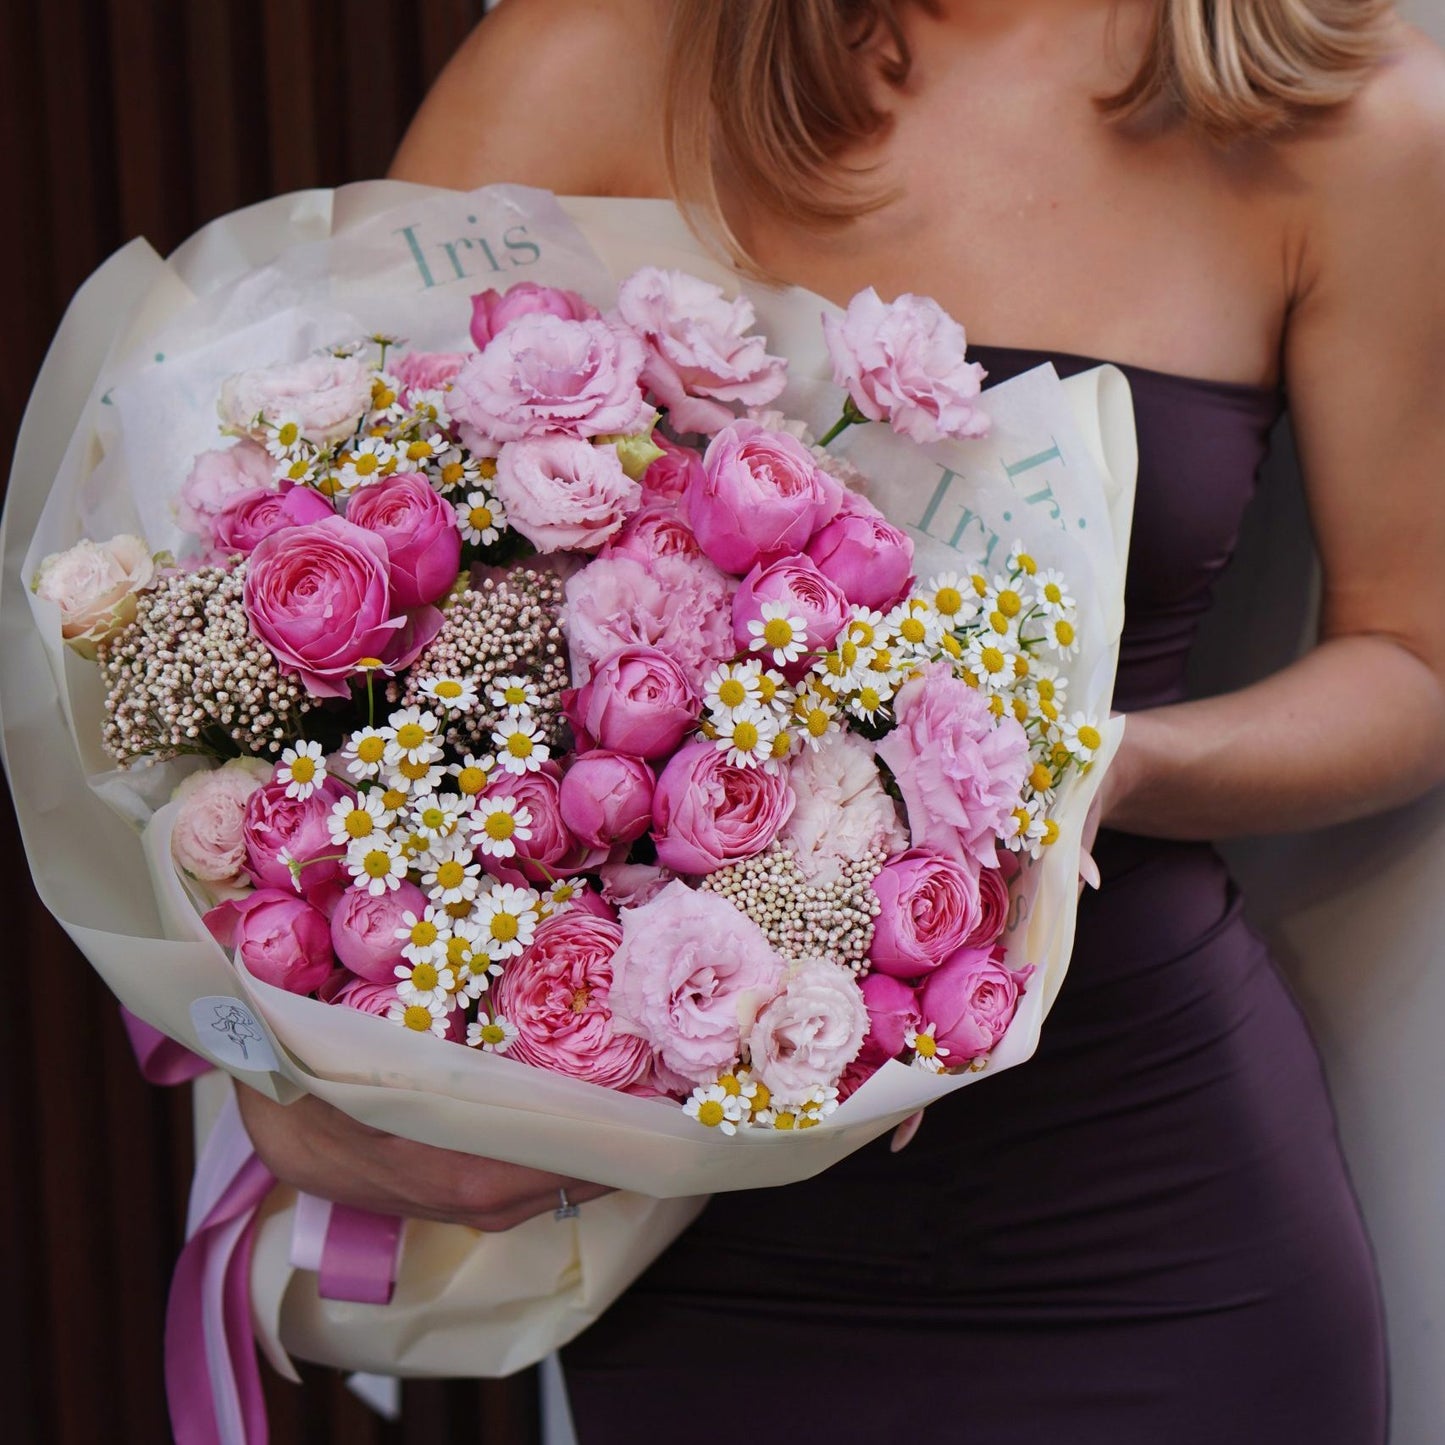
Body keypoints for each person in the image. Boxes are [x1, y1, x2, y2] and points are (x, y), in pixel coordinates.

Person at [237, 1, 1445, 1438]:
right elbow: (302, 572)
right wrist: (280, 1062)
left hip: (1147, 1195)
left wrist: (1100, 767)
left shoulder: (1348, 109)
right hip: (692, 1235)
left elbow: (1413, 656)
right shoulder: (590, 52)